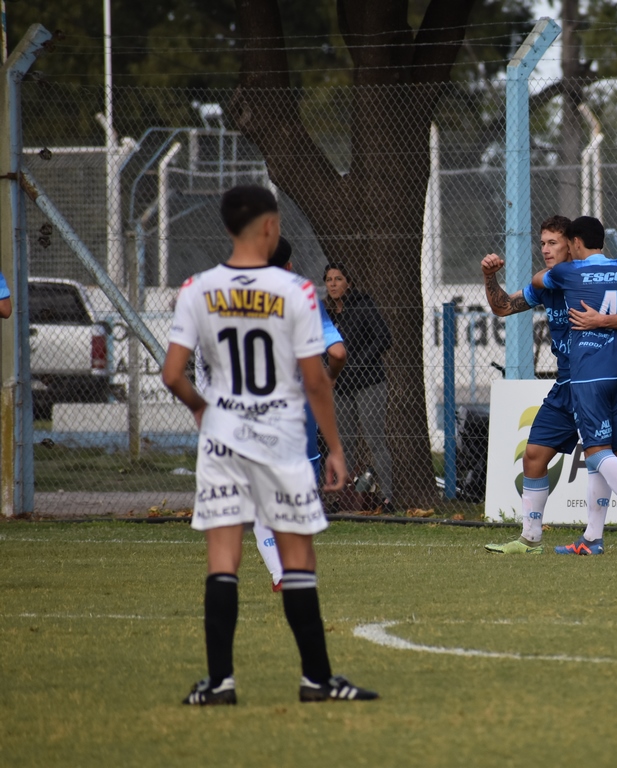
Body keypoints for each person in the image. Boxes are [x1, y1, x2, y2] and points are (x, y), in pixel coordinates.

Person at [163, 185, 376, 705]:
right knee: (298, 559)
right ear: (268, 227)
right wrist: (336, 449)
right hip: (280, 441)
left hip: (222, 443)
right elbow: (319, 379)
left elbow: (173, 373)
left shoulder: (196, 288)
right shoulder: (296, 292)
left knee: (223, 560)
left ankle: (219, 683)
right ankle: (317, 680)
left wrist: (201, 410)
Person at [480, 216, 617, 555]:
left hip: (591, 377)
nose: (545, 249)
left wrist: (601, 319)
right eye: (542, 243)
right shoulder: (551, 284)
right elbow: (502, 307)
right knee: (535, 455)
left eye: (553, 243)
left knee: (606, 456)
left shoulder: (584, 278)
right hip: (566, 385)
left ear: (573, 245)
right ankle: (532, 538)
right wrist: (490, 275)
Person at [252, 237, 347, 591]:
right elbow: (337, 352)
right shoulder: (303, 294)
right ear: (289, 265)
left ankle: (281, 572)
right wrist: (327, 379)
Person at [323, 263, 393, 508]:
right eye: (329, 279)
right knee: (344, 443)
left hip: (368, 384)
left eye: (338, 278)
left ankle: (387, 497)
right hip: (340, 387)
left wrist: (357, 365)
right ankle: (345, 498)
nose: (333, 284)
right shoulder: (327, 314)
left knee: (375, 439)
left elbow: (384, 338)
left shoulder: (363, 305)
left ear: (348, 283)